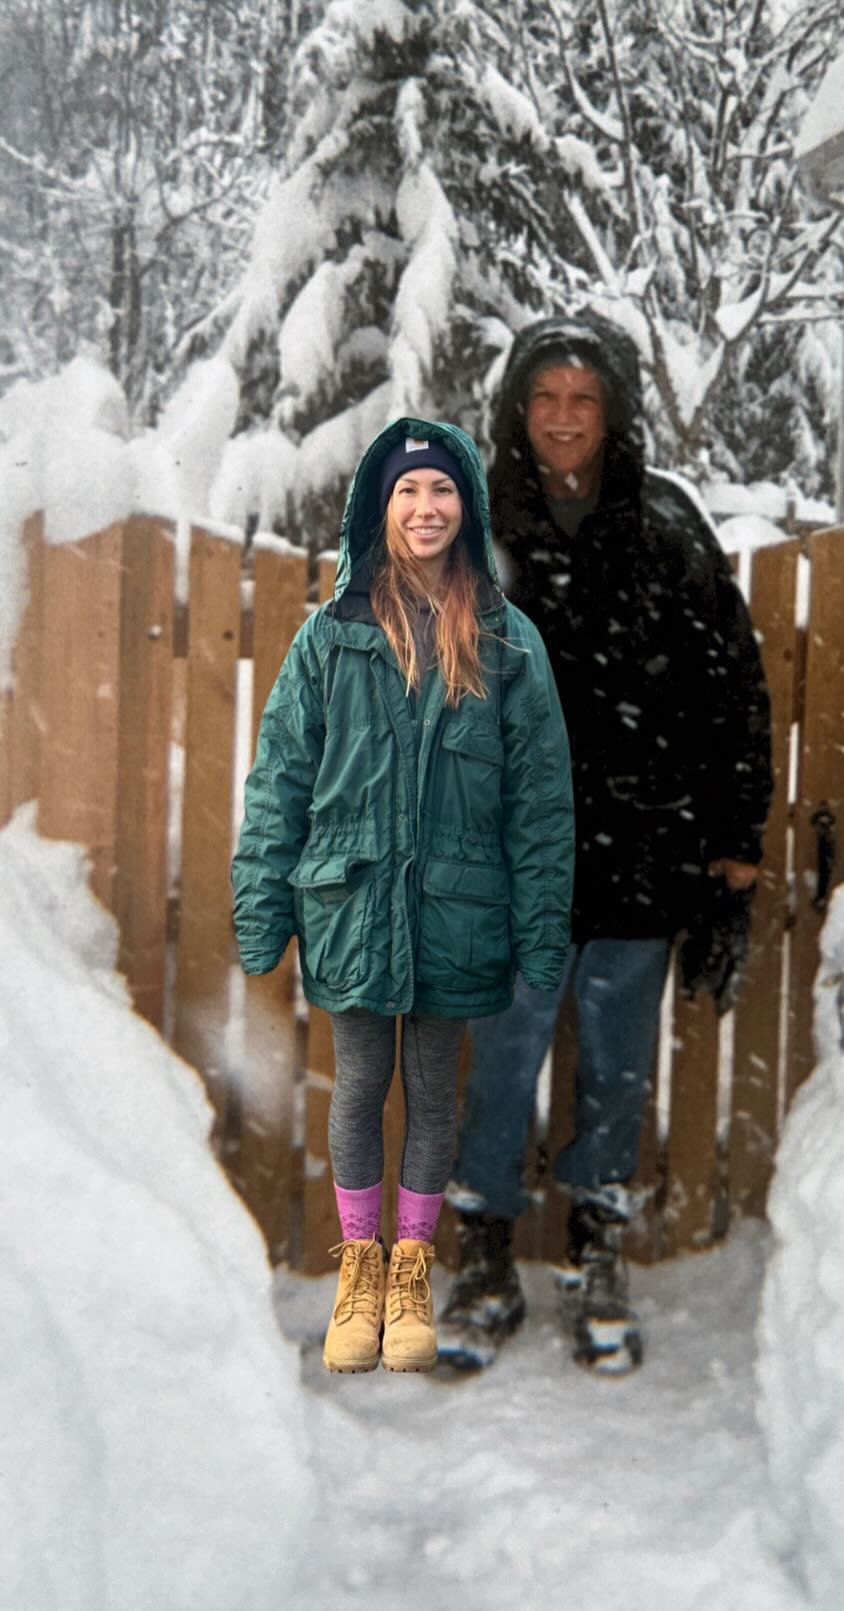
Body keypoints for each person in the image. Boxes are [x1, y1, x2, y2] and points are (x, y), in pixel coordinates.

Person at [439, 315, 773, 1376]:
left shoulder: (668, 526)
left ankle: (597, 1249)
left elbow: (732, 692)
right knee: (500, 1060)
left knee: (618, 1065)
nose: (565, 419)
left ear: (615, 409)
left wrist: (733, 848)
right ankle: (484, 1255)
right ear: (516, 410)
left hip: (642, 844)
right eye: (546, 399)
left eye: (585, 398)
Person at [232, 419, 573, 1375]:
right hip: (350, 903)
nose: (425, 510)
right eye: (406, 494)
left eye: (442, 493)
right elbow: (280, 781)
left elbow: (540, 804)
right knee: (356, 1090)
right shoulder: (329, 636)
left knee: (431, 1094)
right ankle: (358, 1277)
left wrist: (540, 932)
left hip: (456, 916)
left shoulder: (507, 642)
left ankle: (412, 1272)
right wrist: (262, 903)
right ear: (378, 510)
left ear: (466, 508)